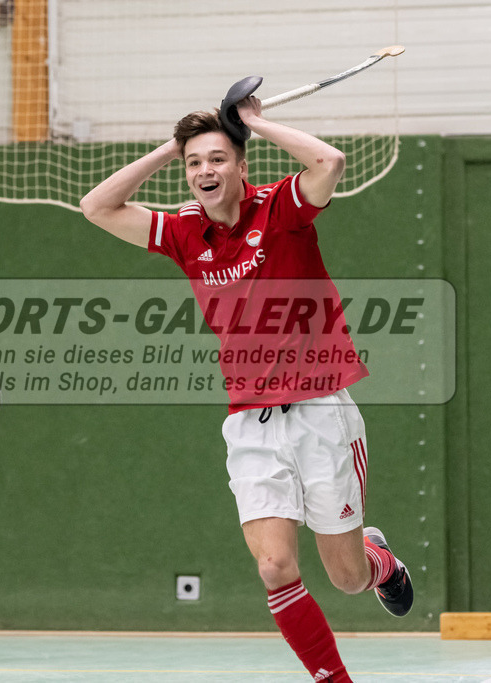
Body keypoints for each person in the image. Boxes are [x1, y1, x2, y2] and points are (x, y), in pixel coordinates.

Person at [80, 97, 413, 681]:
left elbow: (330, 163)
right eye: (194, 163)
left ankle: (379, 561)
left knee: (347, 578)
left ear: (240, 165)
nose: (204, 171)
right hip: (250, 421)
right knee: (275, 566)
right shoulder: (186, 231)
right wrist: (172, 144)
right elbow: (97, 206)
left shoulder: (279, 209)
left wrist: (253, 122)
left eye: (216, 159)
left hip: (319, 410)